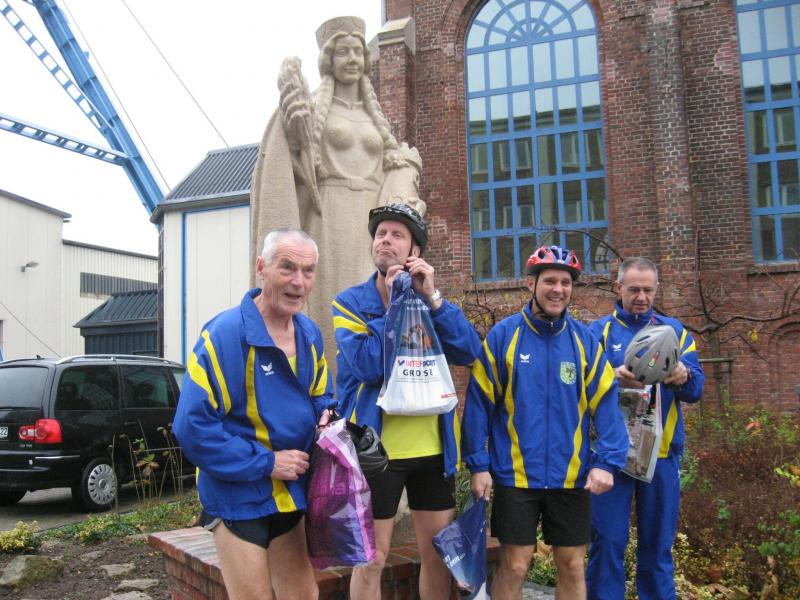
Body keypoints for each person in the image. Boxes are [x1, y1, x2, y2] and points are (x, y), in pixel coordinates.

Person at [251, 16, 423, 368]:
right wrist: (292, 124)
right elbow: (292, 160)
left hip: (371, 222)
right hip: (328, 215)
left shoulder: (375, 117)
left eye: (357, 51)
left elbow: (393, 167)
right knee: (329, 300)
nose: (352, 59)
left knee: (373, 295)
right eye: (343, 52)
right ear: (329, 59)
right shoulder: (314, 108)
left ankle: (375, 374)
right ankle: (326, 377)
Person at [462, 245, 630, 600]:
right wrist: (478, 465)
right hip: (515, 476)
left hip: (572, 476)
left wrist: (607, 462)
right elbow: (478, 406)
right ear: (531, 284)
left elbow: (607, 404)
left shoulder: (585, 341)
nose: (558, 289)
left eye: (565, 283)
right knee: (515, 564)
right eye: (550, 281)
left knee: (572, 564)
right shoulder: (503, 337)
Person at [173, 229, 333, 600]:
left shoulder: (309, 334)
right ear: (261, 268)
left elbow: (320, 396)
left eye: (308, 271)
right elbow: (192, 427)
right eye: (287, 267)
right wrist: (267, 462)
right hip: (237, 495)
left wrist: (328, 419)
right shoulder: (224, 334)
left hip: (289, 490)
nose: (298, 281)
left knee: (303, 595)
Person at [332, 203, 482, 600]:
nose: (385, 240)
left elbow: (469, 351)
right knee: (371, 559)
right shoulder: (350, 302)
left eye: (397, 235)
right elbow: (367, 366)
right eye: (380, 234)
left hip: (432, 450)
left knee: (437, 556)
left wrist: (432, 298)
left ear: (414, 251)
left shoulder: (428, 301)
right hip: (376, 452)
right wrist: (397, 305)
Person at [586, 257, 704, 600]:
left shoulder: (674, 332)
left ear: (656, 290)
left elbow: (696, 390)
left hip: (661, 456)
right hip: (612, 458)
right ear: (618, 287)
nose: (641, 297)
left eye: (648, 290)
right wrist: (610, 377)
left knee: (657, 547)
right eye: (634, 289)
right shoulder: (597, 333)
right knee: (607, 543)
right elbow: (579, 390)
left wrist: (683, 375)